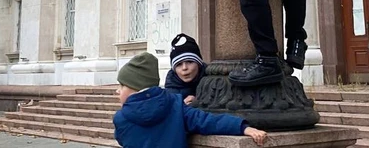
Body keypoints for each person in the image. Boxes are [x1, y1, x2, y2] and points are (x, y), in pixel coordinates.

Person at [113, 52, 267, 148]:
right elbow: (207, 121)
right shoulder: (175, 105)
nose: (117, 90)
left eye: (122, 85)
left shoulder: (121, 118)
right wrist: (243, 127)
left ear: (134, 88)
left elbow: (122, 139)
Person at [164, 33, 206, 105]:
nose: (184, 68)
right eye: (179, 64)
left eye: (189, 62)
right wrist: (181, 107)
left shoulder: (211, 79)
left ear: (199, 64)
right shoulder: (170, 89)